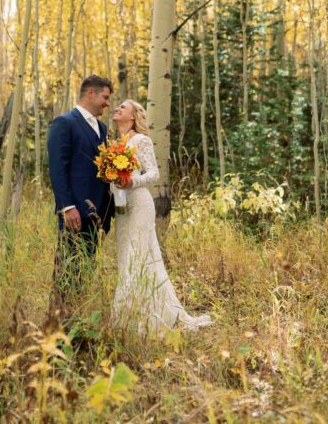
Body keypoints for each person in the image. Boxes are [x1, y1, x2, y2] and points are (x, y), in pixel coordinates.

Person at [110, 99, 212, 334]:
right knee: (127, 258)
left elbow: (154, 173)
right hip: (122, 208)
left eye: (123, 107)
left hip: (140, 204)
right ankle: (131, 314)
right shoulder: (116, 144)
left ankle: (146, 320)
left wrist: (131, 181)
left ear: (133, 116)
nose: (117, 108)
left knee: (139, 256)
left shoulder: (141, 140)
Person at [46, 75, 115, 310]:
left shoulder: (103, 128)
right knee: (67, 268)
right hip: (74, 212)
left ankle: (77, 319)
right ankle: (56, 323)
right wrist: (67, 207)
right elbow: (57, 168)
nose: (107, 103)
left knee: (85, 269)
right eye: (105, 97)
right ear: (90, 94)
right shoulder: (64, 123)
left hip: (99, 213)